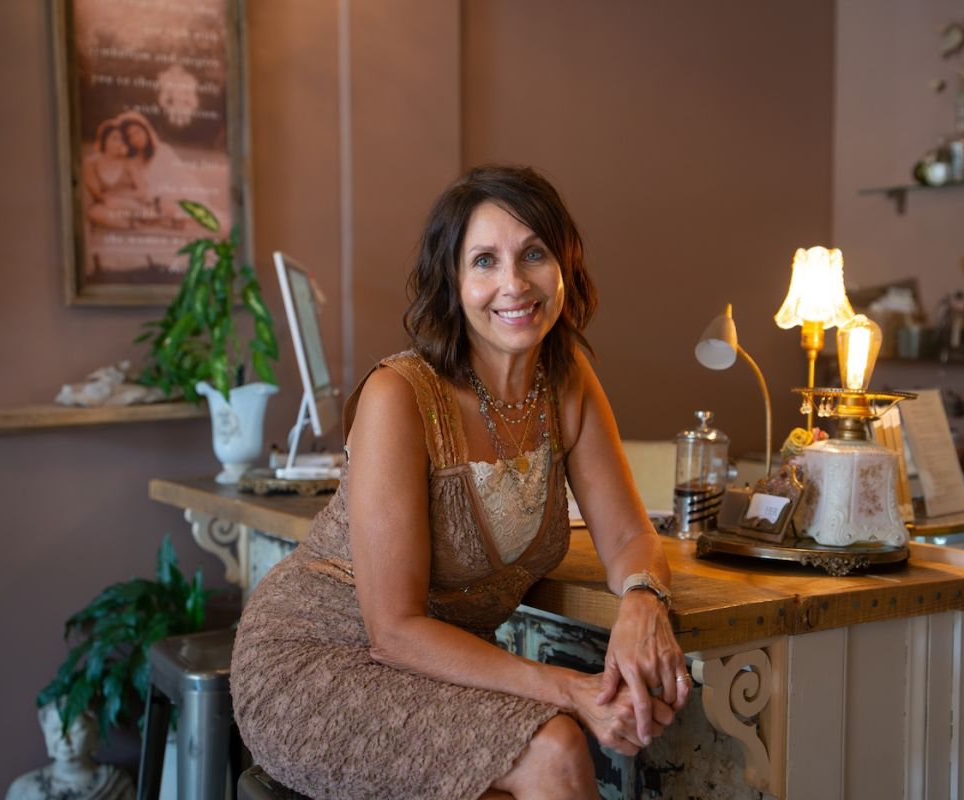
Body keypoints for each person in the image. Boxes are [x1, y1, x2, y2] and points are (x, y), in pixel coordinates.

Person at [231, 165, 689, 799]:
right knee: (555, 748)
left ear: (566, 265)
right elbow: (392, 630)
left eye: (534, 253)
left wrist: (643, 602)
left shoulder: (568, 381)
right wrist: (573, 690)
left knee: (530, 771)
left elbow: (630, 536)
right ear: (453, 282)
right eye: (484, 260)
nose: (514, 283)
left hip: (438, 674)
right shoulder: (400, 395)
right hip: (319, 659)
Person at [5, 704, 133, 800]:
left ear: (94, 731)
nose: (65, 740)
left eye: (75, 730)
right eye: (55, 730)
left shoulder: (117, 783)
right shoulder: (23, 789)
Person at [81, 121, 155, 230]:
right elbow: (98, 195)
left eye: (121, 140)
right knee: (95, 212)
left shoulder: (129, 163)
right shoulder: (90, 164)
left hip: (130, 205)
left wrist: (120, 195)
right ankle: (132, 225)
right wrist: (111, 199)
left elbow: (142, 191)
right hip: (105, 207)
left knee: (118, 203)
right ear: (104, 140)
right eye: (114, 138)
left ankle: (140, 220)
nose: (118, 142)